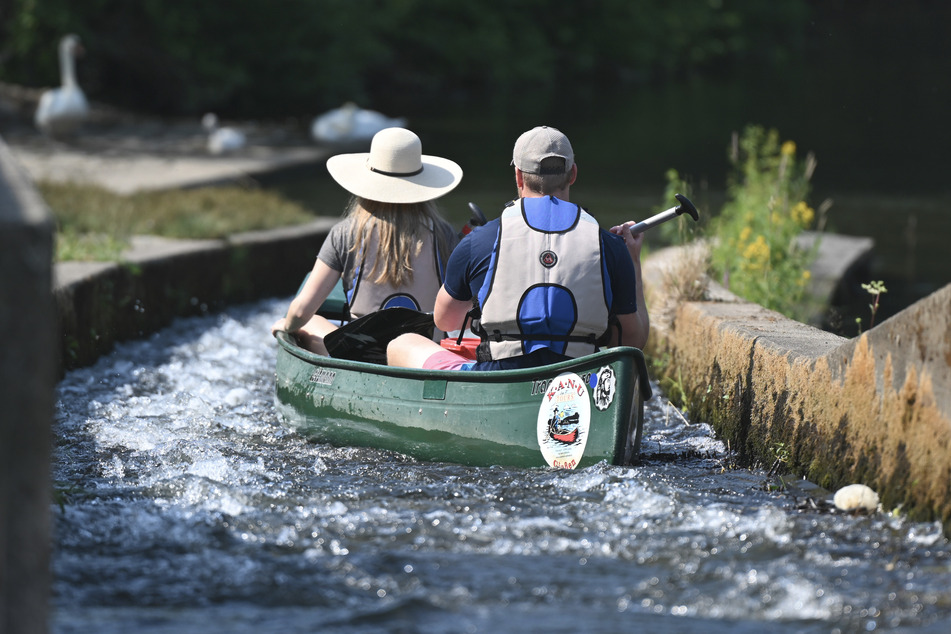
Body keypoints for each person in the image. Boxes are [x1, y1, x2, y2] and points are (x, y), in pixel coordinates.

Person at [387, 125, 649, 371]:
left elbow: (446, 322)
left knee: (402, 343)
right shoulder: (609, 246)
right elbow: (630, 342)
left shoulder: (480, 240)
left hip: (499, 380)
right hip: (577, 383)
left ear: (519, 176)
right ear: (573, 174)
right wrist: (633, 262)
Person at [271, 127, 463, 355]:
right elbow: (458, 315)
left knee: (311, 320)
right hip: (422, 357)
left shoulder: (345, 234)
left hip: (360, 356)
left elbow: (302, 310)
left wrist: (287, 325)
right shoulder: (445, 234)